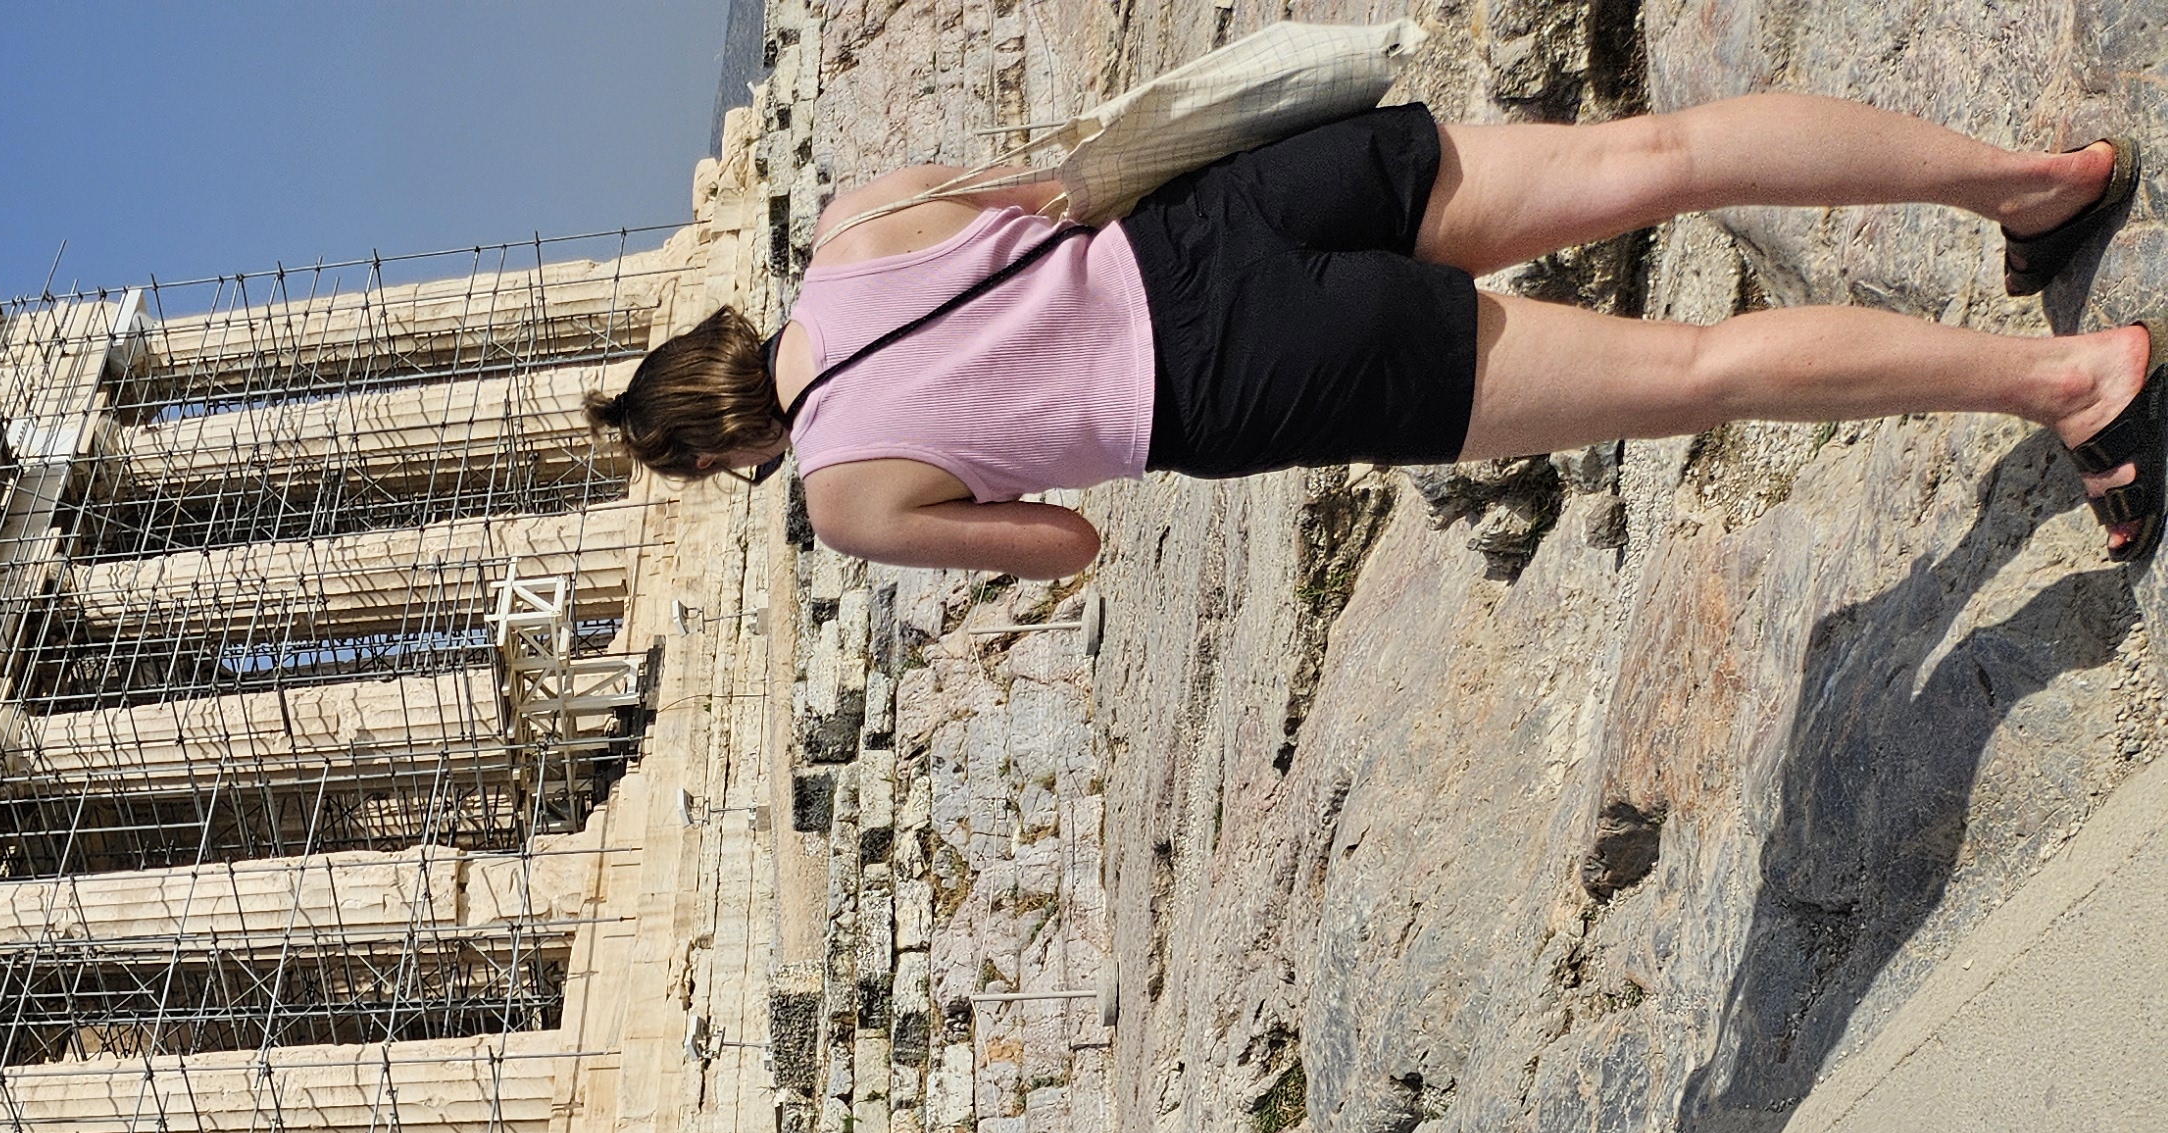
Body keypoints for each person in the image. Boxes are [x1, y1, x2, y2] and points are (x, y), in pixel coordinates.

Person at [586, 98, 2162, 567]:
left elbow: (1064, 544)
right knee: (1657, 159)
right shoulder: (858, 217)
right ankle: (2037, 186)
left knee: (1696, 373)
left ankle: (2072, 380)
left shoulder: (846, 497)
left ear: (728, 441)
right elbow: (1061, 175)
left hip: (1242, 373)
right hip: (1228, 210)